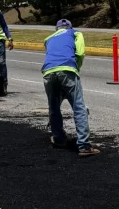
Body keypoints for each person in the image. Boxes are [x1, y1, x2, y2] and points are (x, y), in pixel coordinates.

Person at [41, 19, 99, 157]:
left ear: (57, 29)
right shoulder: (75, 33)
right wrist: (76, 69)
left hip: (48, 72)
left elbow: (52, 55)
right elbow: (79, 53)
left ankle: (58, 139)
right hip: (67, 70)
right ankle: (84, 146)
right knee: (78, 107)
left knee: (54, 107)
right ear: (70, 27)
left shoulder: (48, 39)